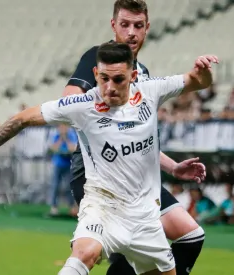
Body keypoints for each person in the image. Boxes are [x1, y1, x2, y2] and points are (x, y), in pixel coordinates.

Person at [0, 42, 217, 275]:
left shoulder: (151, 91)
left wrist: (203, 69)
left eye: (118, 79)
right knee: (85, 252)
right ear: (96, 74)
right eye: (104, 78)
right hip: (102, 208)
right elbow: (22, 118)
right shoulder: (82, 105)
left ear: (133, 76)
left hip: (145, 219)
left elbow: (198, 81)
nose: (109, 87)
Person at [64, 1, 206, 274]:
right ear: (113, 25)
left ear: (147, 28)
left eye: (138, 26)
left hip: (138, 181)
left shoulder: (143, 74)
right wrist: (101, 107)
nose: (131, 33)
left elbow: (140, 143)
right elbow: (69, 99)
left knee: (190, 236)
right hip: (97, 177)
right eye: (125, 25)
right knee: (97, 253)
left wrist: (173, 167)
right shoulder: (99, 58)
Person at [49, 124, 78, 216]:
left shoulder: (72, 135)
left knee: (69, 187)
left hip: (69, 164)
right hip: (58, 164)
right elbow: (53, 148)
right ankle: (54, 207)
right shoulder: (56, 135)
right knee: (55, 186)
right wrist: (61, 138)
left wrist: (66, 139)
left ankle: (71, 207)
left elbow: (72, 148)